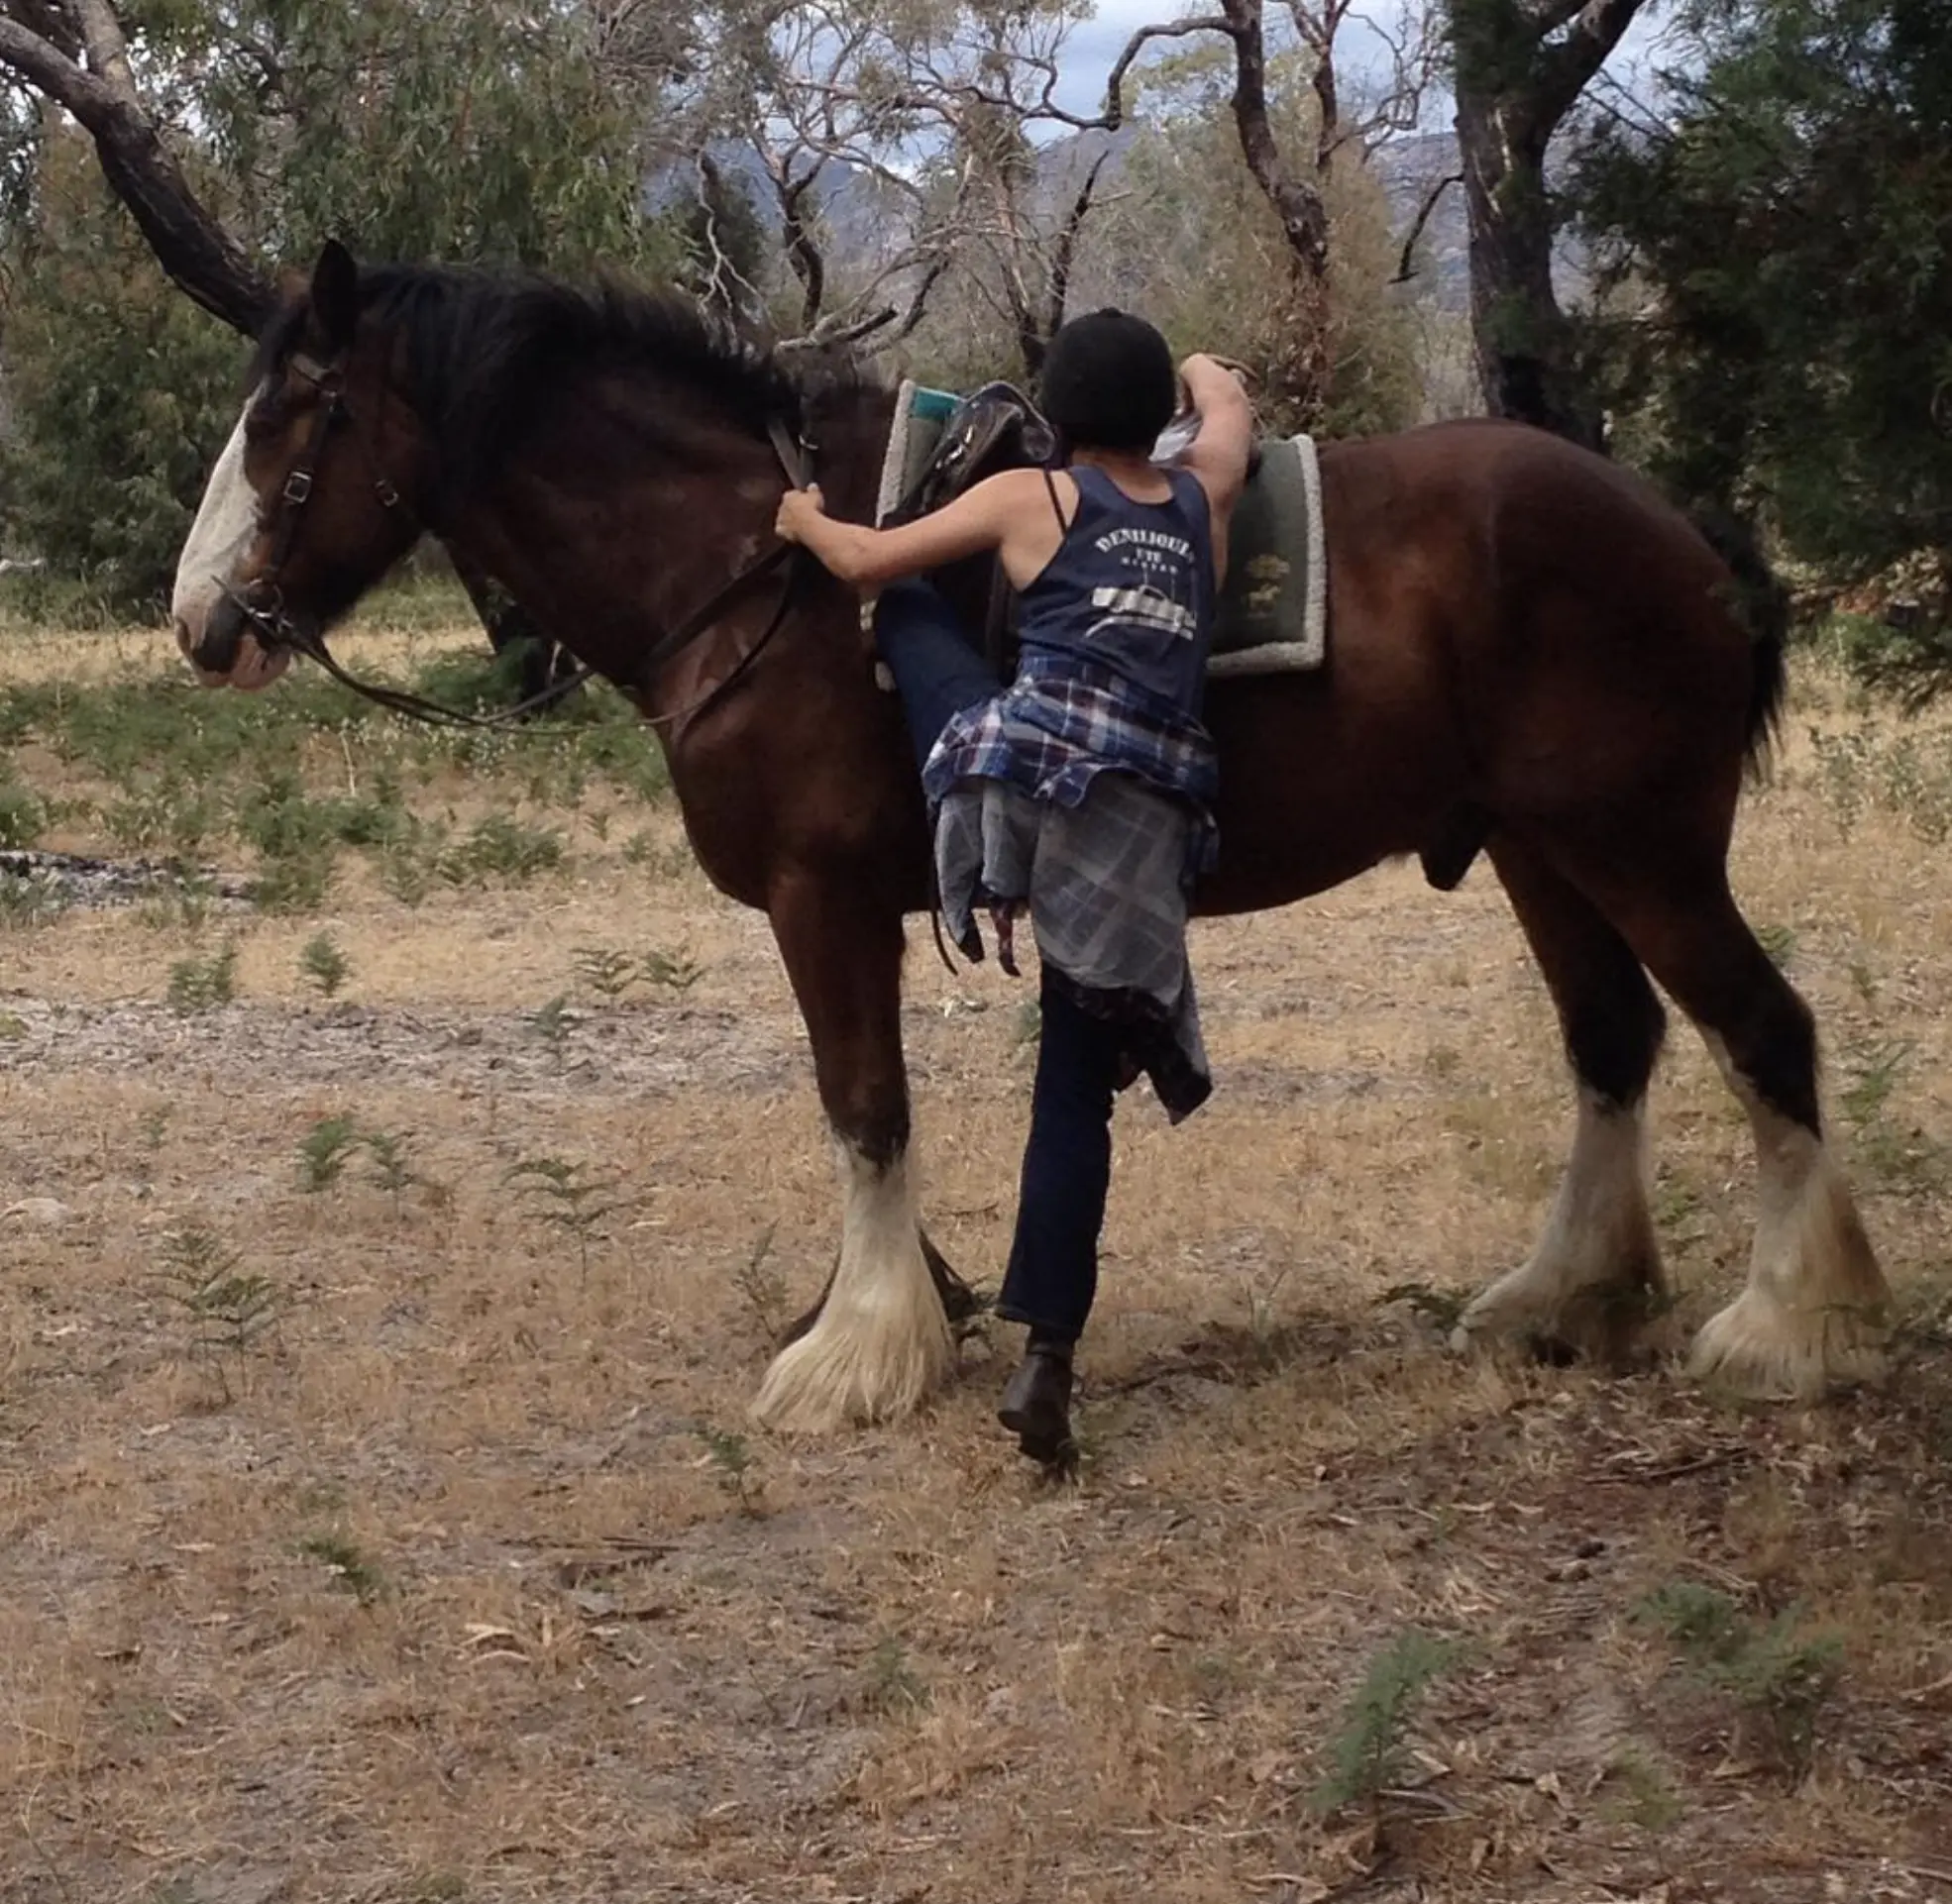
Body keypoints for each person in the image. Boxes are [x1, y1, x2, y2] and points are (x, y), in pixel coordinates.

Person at [775, 309, 1254, 1464]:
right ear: (1156, 419)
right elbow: (1228, 417)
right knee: (1071, 1095)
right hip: (1139, 837)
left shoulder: (1030, 498)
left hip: (1026, 785)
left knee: (907, 604)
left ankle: (935, 817)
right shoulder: (1198, 503)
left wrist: (797, 511)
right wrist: (1206, 370)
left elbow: (858, 560)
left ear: (1055, 420)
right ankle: (1044, 1358)